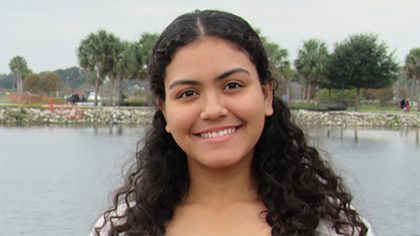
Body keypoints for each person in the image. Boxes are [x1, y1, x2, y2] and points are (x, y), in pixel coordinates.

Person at [91, 10, 373, 236]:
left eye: (233, 85)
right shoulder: (120, 229)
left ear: (265, 95)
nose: (213, 110)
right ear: (164, 110)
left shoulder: (334, 227)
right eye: (188, 93)